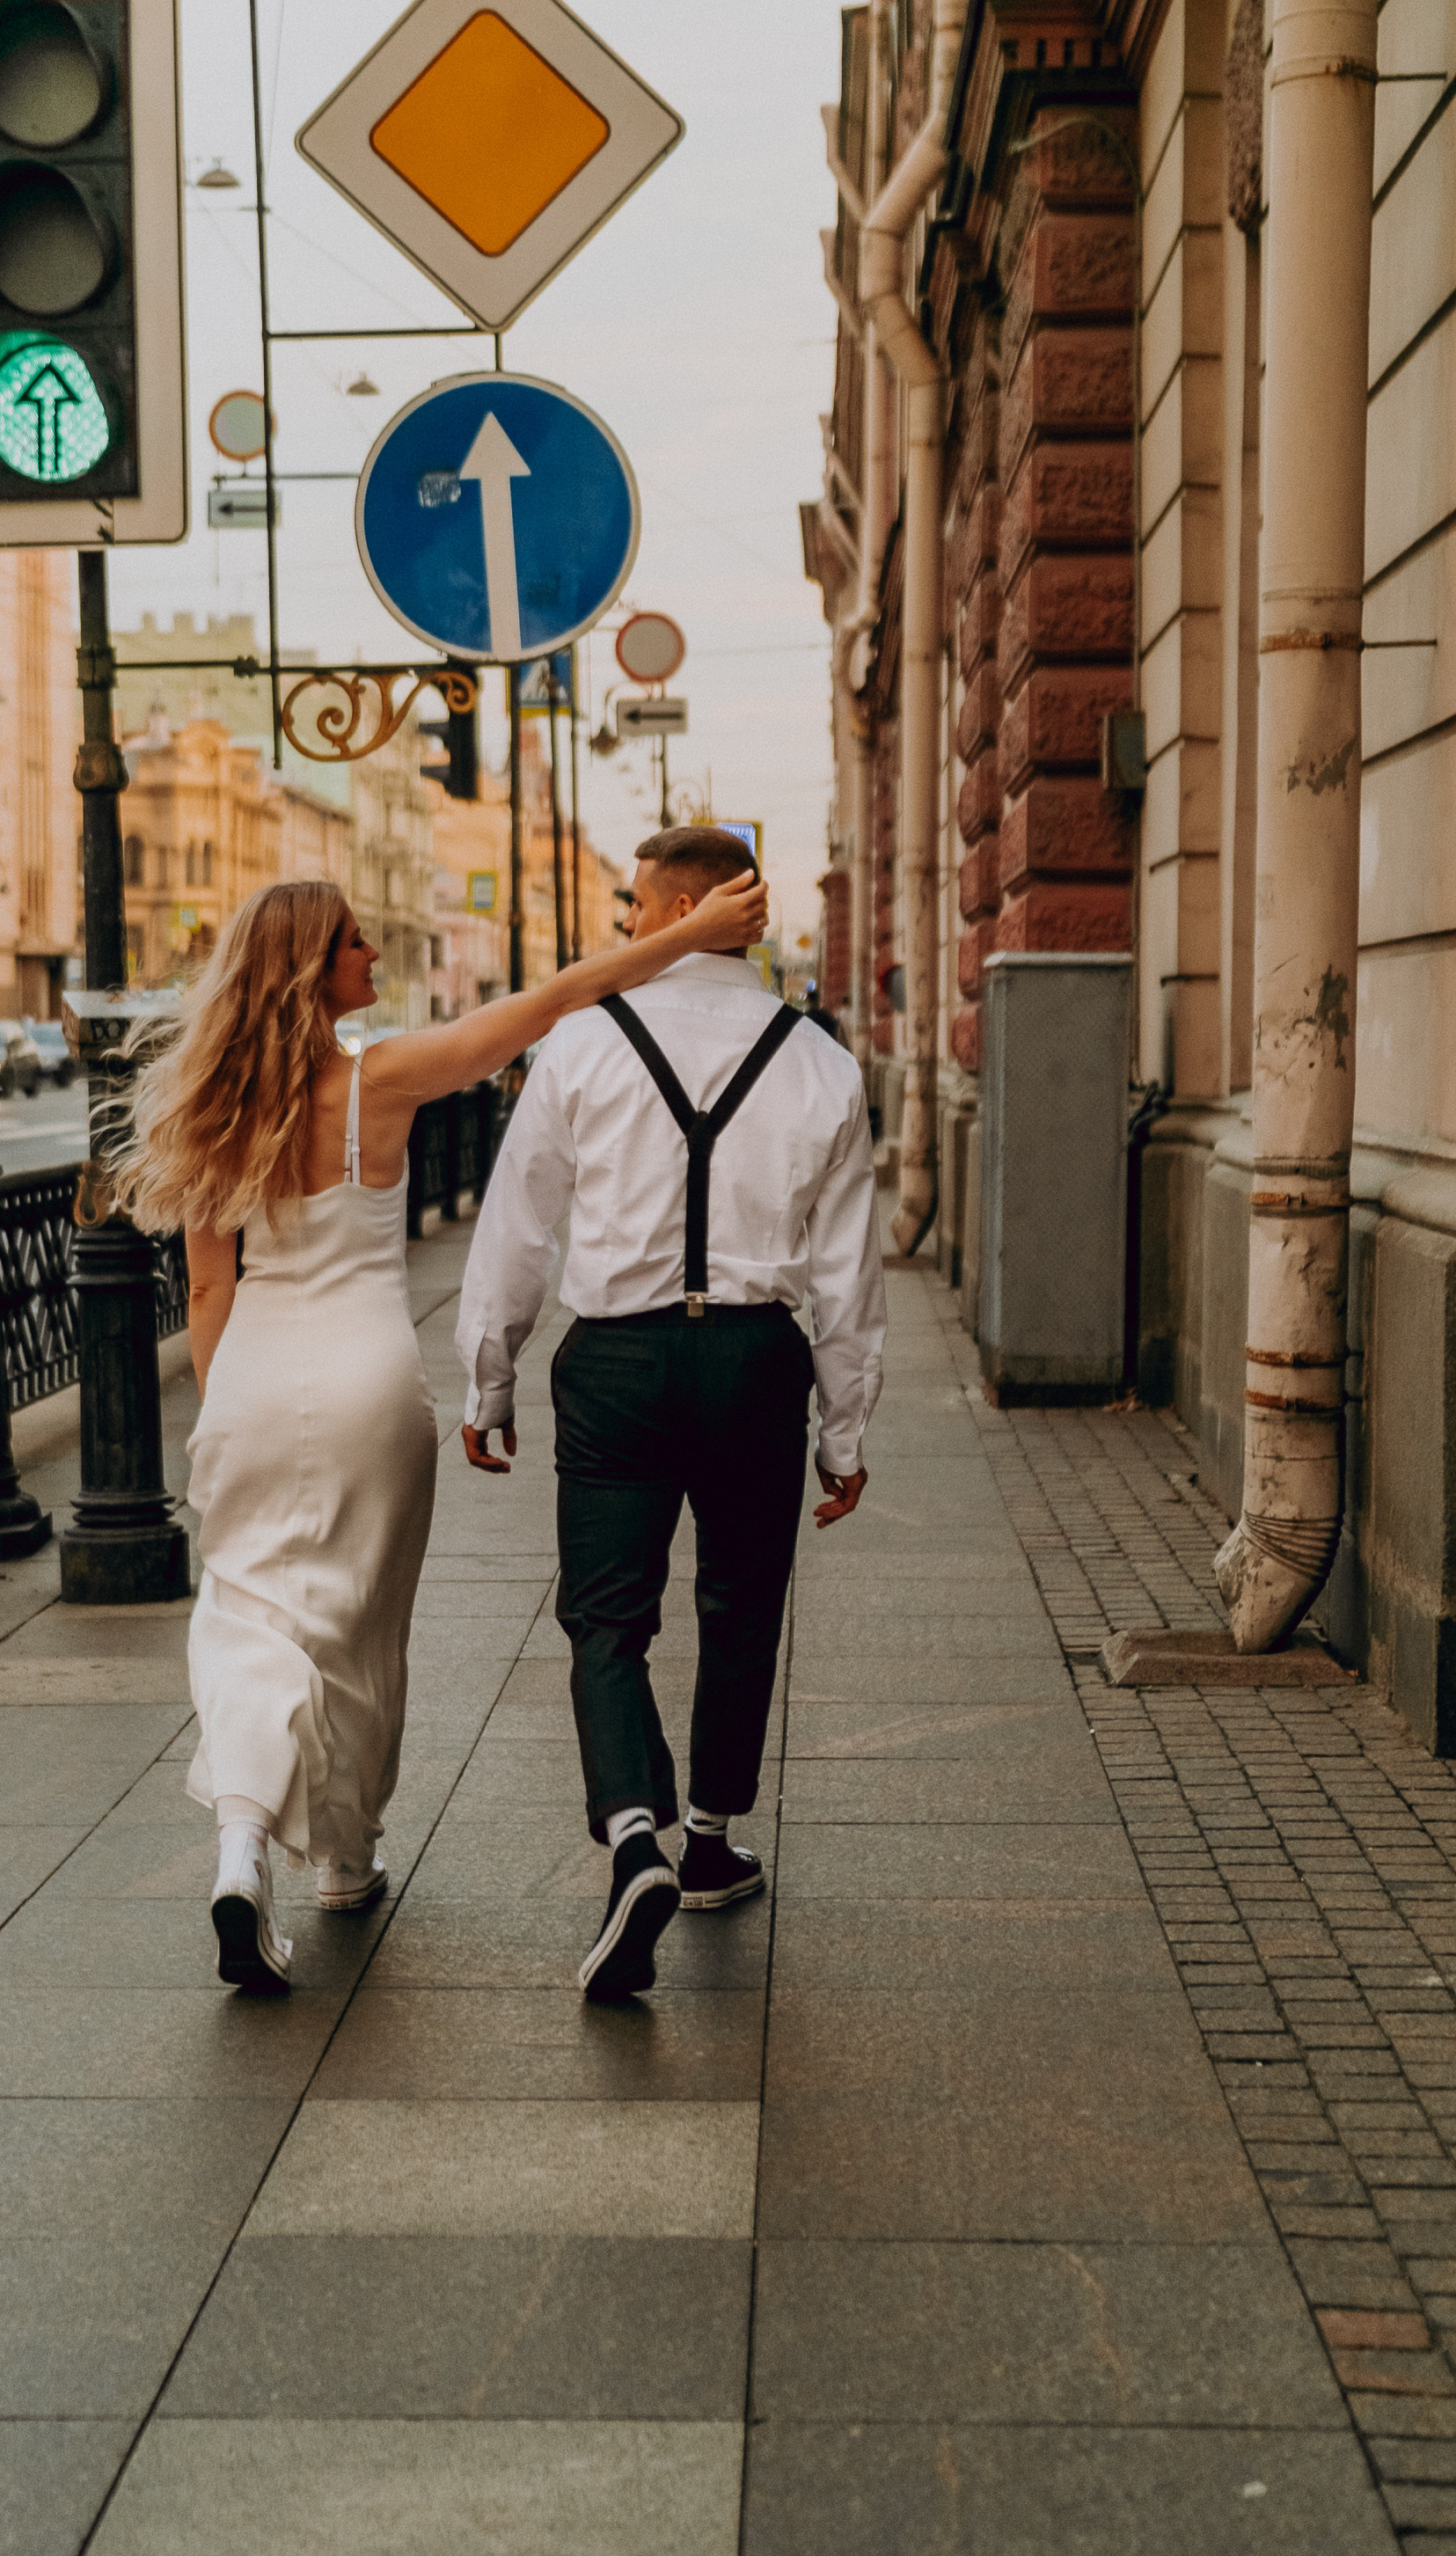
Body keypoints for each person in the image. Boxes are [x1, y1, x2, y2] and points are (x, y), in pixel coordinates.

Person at [115, 869, 769, 1996]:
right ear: (316, 972)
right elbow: (557, 997)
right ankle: (344, 1861)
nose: (374, 956)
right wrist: (694, 936)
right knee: (359, 1630)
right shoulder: (383, 1079)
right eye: (357, 945)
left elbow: (207, 1296)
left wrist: (222, 1412)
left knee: (248, 1618)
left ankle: (240, 1850)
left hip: (254, 1384)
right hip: (372, 1385)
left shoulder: (215, 1105)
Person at [457, 824, 887, 2002]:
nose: (628, 927)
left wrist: (487, 1378)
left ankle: (629, 1831)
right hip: (757, 1360)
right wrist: (844, 1431)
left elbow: (518, 1226)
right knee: (742, 1604)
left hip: (617, 1364)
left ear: (681, 904)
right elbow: (848, 1271)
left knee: (605, 1619)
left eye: (635, 908)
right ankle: (706, 1838)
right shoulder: (820, 1062)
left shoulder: (583, 1045)